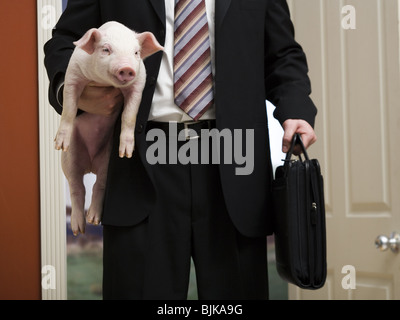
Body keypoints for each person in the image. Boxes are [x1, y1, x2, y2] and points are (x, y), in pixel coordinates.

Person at [44, 0, 317, 300]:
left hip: (235, 163)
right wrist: (75, 96)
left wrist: (295, 109)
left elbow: (282, 53)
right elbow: (64, 42)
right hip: (138, 159)